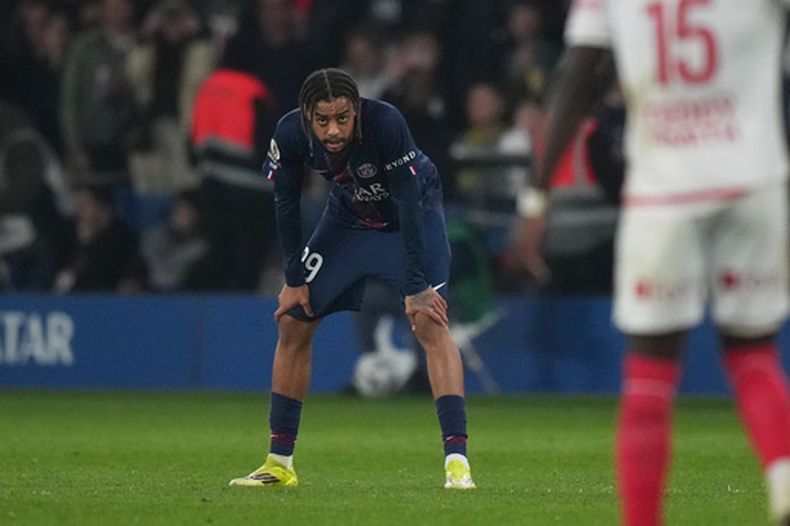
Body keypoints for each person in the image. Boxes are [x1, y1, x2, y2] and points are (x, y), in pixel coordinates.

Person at [513, 1, 790, 524]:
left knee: (650, 373)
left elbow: (579, 73)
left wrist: (536, 195)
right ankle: (784, 477)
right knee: (754, 353)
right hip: (754, 179)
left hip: (664, 189)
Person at [228, 68, 475, 490]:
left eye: (342, 118)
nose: (333, 130)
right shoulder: (289, 133)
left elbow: (409, 201)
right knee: (293, 320)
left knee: (430, 322)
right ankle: (279, 463)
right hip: (349, 220)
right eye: (322, 120)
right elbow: (285, 202)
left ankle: (457, 463)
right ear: (306, 115)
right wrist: (293, 279)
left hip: (411, 218)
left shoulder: (386, 122)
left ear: (357, 111)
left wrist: (416, 284)